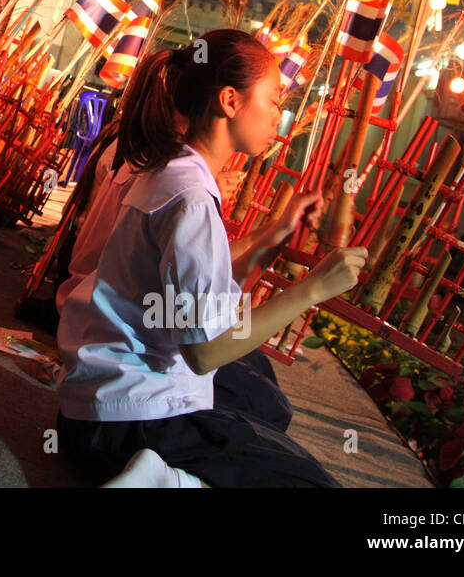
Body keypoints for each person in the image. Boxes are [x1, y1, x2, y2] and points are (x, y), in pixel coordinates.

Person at [55, 29, 367, 487]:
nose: (281, 117)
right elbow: (205, 351)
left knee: (262, 402)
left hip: (92, 409)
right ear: (230, 101)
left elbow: (205, 283)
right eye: (276, 100)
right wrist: (313, 288)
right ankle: (164, 480)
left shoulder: (170, 168)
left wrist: (277, 231)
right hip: (125, 422)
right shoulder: (192, 198)